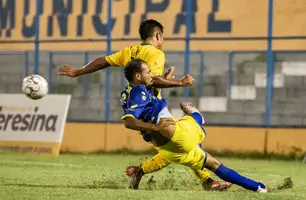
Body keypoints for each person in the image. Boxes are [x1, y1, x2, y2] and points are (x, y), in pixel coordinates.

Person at [58, 19, 231, 191]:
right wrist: (180, 83)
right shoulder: (156, 53)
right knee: (182, 147)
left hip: (141, 110)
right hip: (154, 111)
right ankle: (205, 181)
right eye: (162, 38)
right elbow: (153, 81)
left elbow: (103, 61)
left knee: (179, 149)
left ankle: (200, 180)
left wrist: (79, 71)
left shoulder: (130, 51)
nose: (162, 42)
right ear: (157, 35)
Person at [120, 59, 268, 193]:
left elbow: (151, 89)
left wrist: (168, 80)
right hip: (178, 136)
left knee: (213, 164)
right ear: (138, 76)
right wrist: (155, 127)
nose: (151, 74)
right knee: (194, 117)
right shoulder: (138, 94)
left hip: (167, 150)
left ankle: (257, 187)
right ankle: (196, 115)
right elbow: (128, 121)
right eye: (148, 71)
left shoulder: (129, 92)